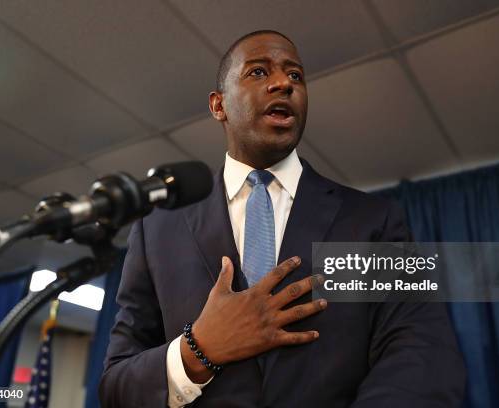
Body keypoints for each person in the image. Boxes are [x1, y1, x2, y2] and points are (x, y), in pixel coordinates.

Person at [99, 30, 466, 407]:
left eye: (296, 76)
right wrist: (198, 350)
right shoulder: (157, 227)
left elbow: (423, 353)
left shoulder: (373, 220)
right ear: (218, 105)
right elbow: (116, 385)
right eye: (258, 73)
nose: (283, 84)